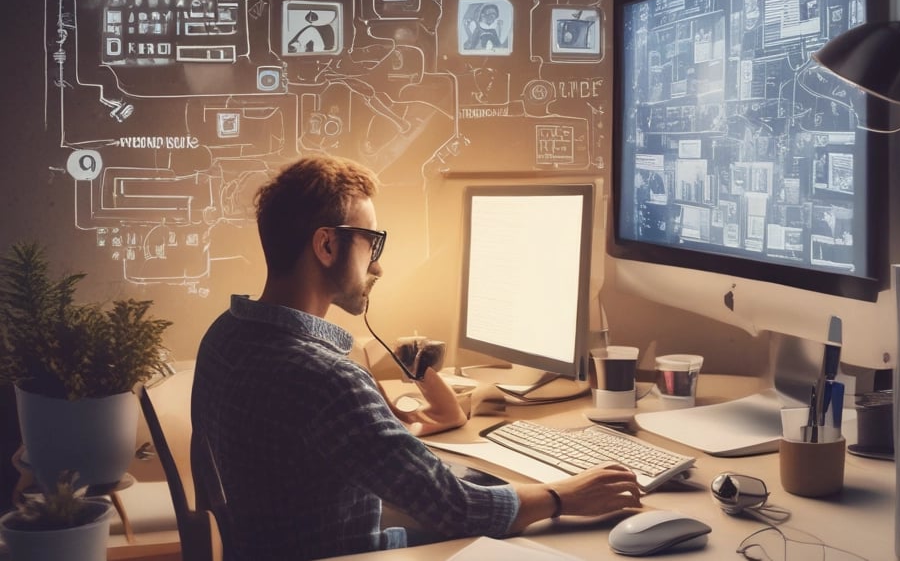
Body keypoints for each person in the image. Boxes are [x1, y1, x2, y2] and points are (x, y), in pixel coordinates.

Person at [191, 154, 642, 560]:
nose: (378, 265)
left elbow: (353, 450)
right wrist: (564, 495)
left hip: (274, 545)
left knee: (482, 485)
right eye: (372, 242)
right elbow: (456, 509)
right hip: (349, 554)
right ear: (326, 246)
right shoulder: (325, 378)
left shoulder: (226, 336)